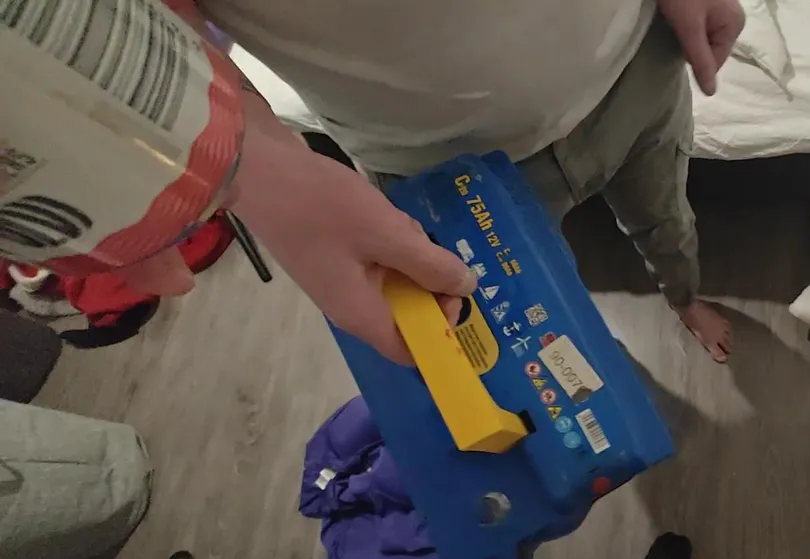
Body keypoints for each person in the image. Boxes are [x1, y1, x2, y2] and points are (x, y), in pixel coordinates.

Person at [124, 0, 742, 363]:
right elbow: (135, 26)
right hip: (432, 161)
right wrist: (253, 160)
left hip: (634, 66)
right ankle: (591, 350)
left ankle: (683, 298)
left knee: (667, 218)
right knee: (528, 308)